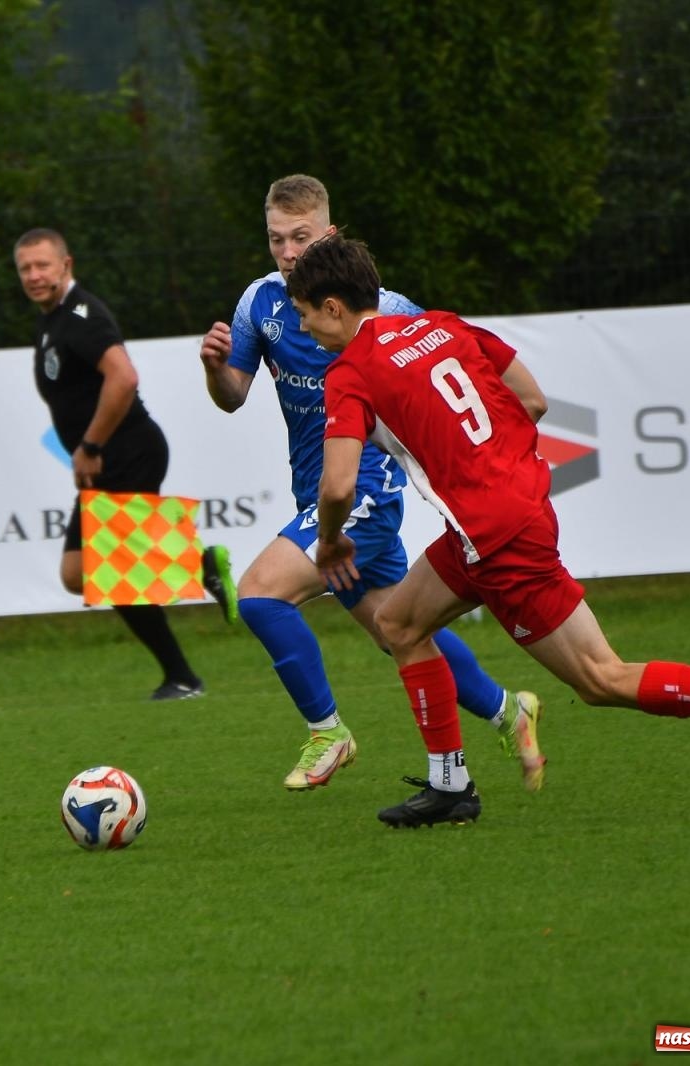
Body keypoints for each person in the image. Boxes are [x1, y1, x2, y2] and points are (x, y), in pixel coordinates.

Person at [291, 232, 690, 827]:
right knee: (398, 623)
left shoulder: (352, 370)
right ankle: (450, 785)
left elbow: (336, 486)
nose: (306, 329)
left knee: (601, 678)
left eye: (307, 315)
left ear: (333, 306)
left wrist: (333, 539)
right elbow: (533, 399)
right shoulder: (442, 325)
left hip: (497, 540)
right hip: (505, 516)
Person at [198, 175, 544, 791]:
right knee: (398, 630)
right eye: (276, 239)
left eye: (299, 237)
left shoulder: (389, 309)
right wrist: (215, 369)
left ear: (328, 233)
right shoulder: (259, 302)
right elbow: (232, 398)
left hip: (363, 491)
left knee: (258, 595)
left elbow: (465, 376)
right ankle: (507, 711)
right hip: (319, 493)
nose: (286, 251)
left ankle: (328, 732)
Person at [15, 227, 208, 701]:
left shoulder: (82, 315)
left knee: (107, 570)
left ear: (66, 265)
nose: (35, 275)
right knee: (76, 573)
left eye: (43, 265)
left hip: (126, 452)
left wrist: (92, 446)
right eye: (25, 268)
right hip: (106, 459)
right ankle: (201, 569)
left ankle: (182, 677)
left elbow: (123, 377)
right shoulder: (51, 319)